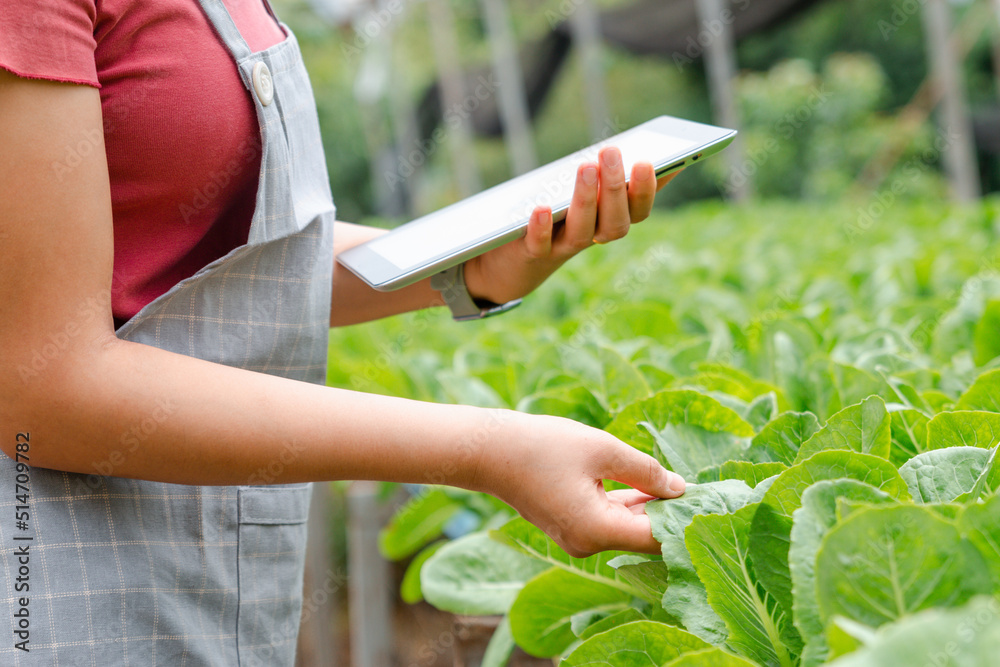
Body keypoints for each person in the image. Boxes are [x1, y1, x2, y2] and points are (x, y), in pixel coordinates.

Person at [0, 0, 685, 664]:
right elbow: (44, 381)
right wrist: (488, 448)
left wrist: (472, 265)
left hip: (205, 584)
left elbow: (233, 271)